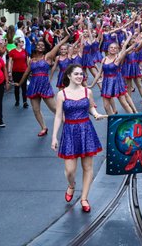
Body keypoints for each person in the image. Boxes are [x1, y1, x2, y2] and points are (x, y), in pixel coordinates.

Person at [51, 64, 107, 213]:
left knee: (87, 167)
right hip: (69, 131)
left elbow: (90, 107)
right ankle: (71, 185)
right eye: (76, 74)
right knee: (70, 171)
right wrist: (54, 137)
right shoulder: (62, 95)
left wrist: (95, 113)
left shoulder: (88, 92)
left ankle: (84, 198)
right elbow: (58, 116)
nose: (79, 77)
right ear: (69, 75)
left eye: (81, 74)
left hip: (86, 130)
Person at [17, 33, 70, 136]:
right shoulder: (31, 60)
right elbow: (26, 73)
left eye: (42, 45)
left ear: (45, 48)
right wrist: (19, 84)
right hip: (33, 86)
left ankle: (68, 123)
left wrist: (67, 37)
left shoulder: (48, 57)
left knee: (54, 108)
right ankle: (43, 128)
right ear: (35, 47)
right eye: (38, 45)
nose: (40, 46)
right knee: (36, 110)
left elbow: (57, 46)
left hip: (44, 85)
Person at [8, 38, 29, 108]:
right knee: (16, 87)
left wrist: (29, 69)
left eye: (23, 42)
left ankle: (25, 101)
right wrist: (9, 71)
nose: (22, 44)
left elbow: (27, 61)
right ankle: (17, 100)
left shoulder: (24, 51)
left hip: (24, 71)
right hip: (15, 71)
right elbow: (10, 62)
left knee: (24, 87)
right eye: (21, 42)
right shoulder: (12, 52)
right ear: (17, 43)